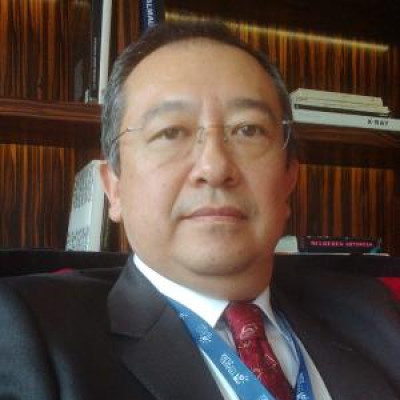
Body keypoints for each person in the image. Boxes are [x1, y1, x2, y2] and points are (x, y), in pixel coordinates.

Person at [0, 21, 399, 400]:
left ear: (289, 178)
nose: (215, 167)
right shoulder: (30, 333)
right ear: (114, 188)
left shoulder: (371, 312)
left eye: (248, 130)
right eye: (170, 132)